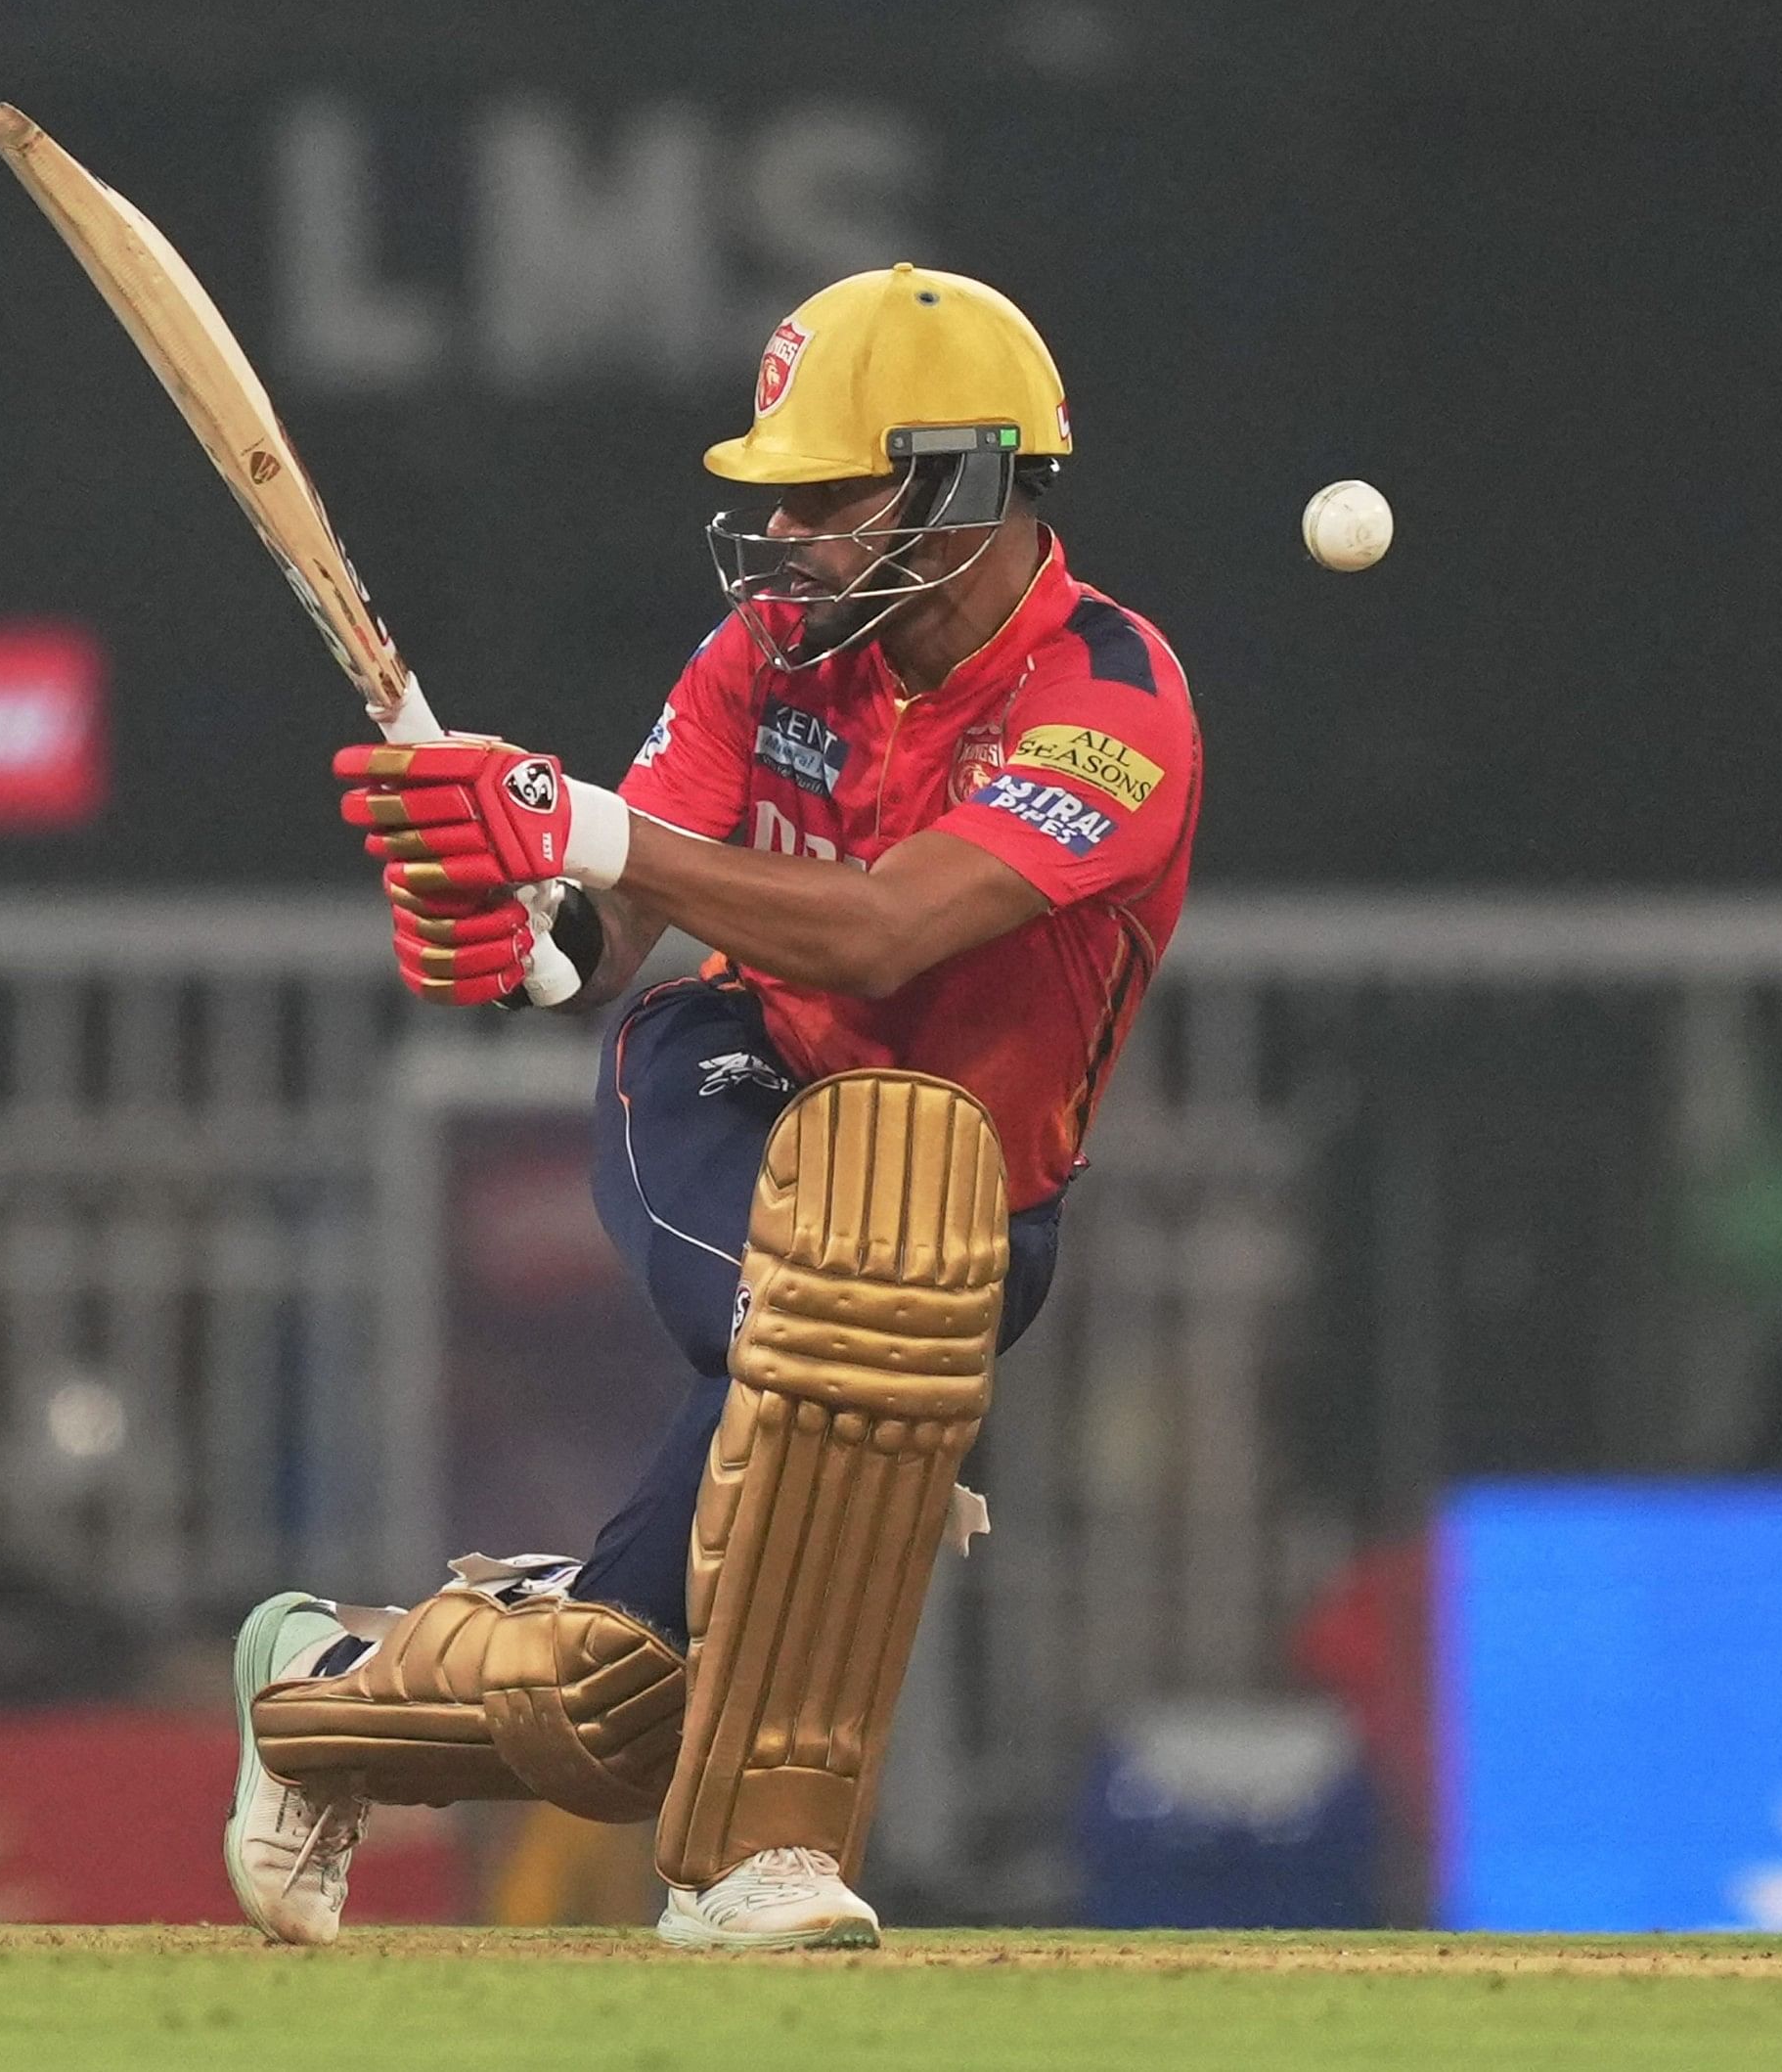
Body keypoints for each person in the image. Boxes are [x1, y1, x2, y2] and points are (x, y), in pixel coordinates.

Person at [223, 266, 1201, 1950]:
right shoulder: (766, 657)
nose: (792, 537)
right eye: (783, 499)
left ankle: (313, 1688)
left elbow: (894, 920)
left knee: (618, 1694)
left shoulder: (1112, 702)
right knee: (842, 1353)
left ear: (967, 482)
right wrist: (510, 924)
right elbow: (606, 953)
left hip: (978, 1207)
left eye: (832, 497)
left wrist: (568, 822)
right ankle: (761, 1865)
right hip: (728, 1087)